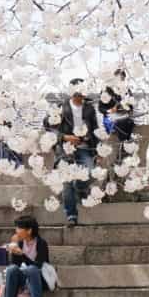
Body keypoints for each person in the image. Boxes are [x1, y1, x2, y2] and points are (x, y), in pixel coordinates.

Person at [49, 80, 99, 226]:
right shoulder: (61, 107)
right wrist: (65, 137)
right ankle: (71, 216)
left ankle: (81, 187)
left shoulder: (89, 109)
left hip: (84, 147)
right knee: (67, 184)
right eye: (76, 91)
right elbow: (49, 127)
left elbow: (95, 130)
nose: (80, 94)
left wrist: (98, 151)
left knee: (90, 172)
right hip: (65, 149)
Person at [2, 215, 51, 297]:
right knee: (12, 269)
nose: (16, 231)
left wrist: (22, 255)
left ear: (29, 231)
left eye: (19, 228)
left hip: (38, 278)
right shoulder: (19, 243)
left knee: (32, 269)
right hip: (24, 278)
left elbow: (38, 266)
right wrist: (14, 252)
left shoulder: (41, 244)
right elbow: (16, 266)